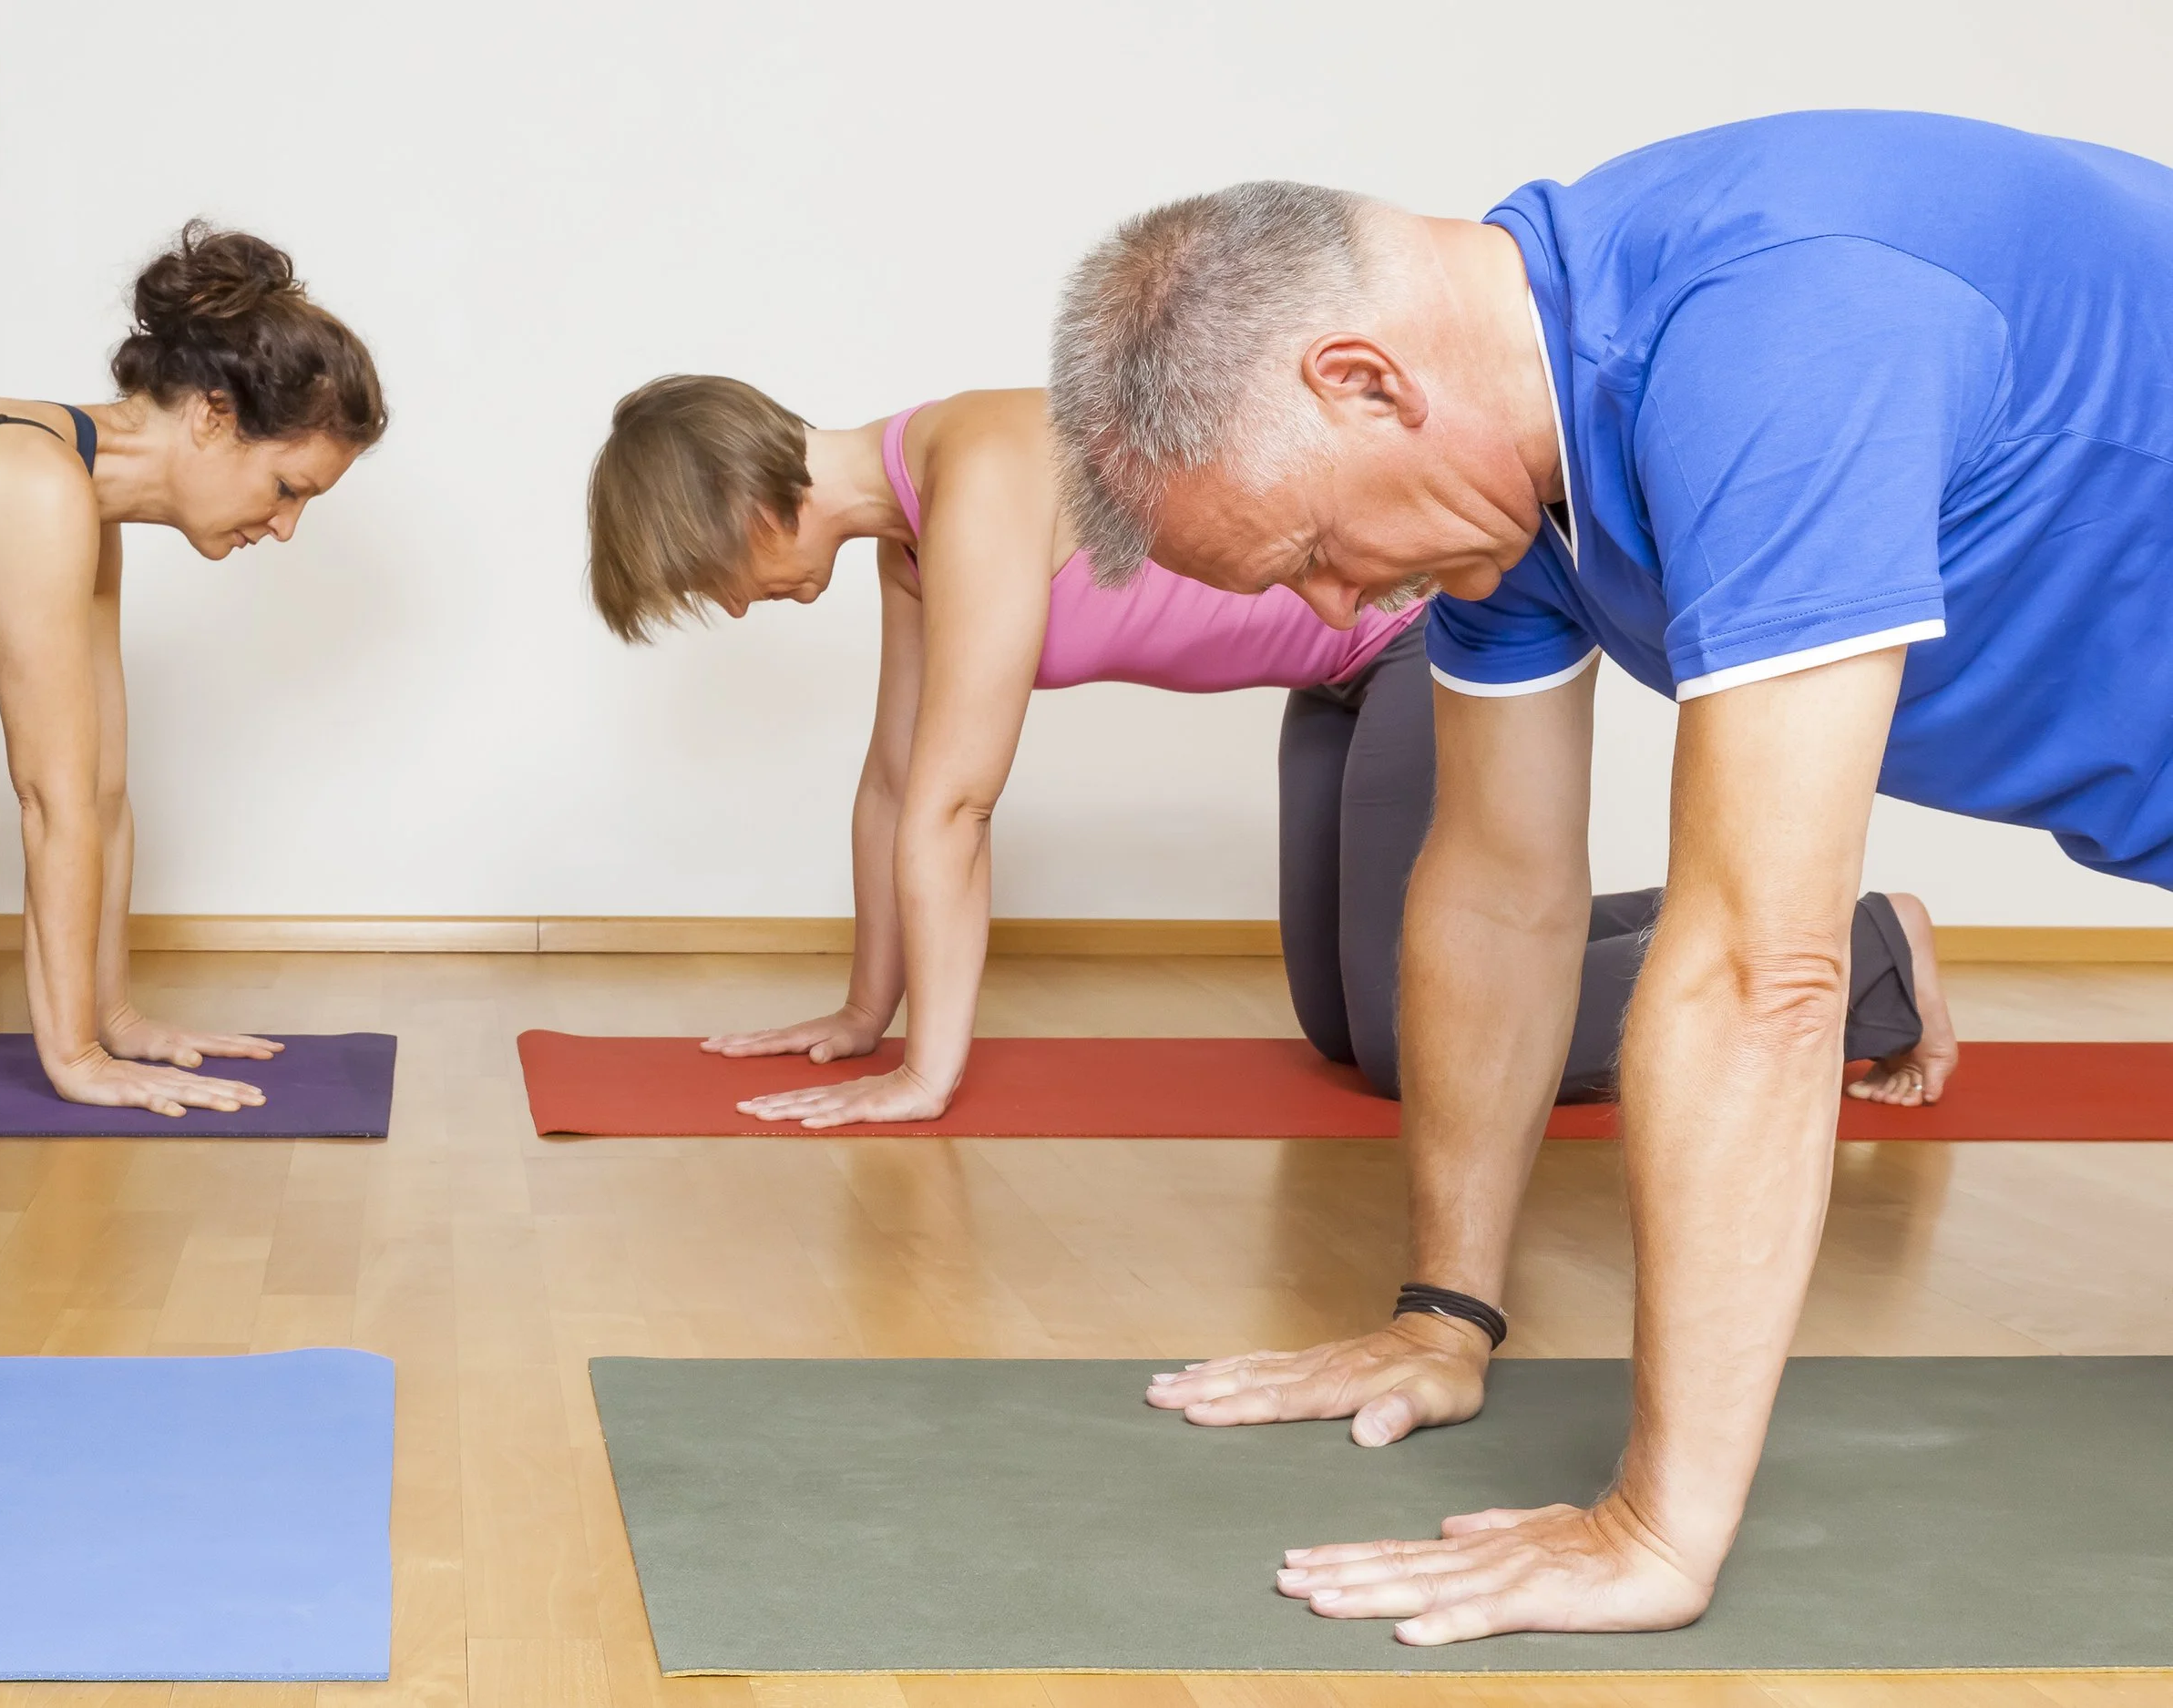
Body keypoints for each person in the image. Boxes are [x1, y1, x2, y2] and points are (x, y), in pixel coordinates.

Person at [1048, 110, 2170, 1645]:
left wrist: (1652, 1527)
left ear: (1367, 381)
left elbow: (1763, 976)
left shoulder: (1778, 332)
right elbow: (1499, 887)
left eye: (1310, 547)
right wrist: (1443, 1317)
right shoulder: (1525, 469)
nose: (1328, 608)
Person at [583, 377, 1953, 1126]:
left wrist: (929, 1074)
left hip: (1431, 637)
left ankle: (1865, 958)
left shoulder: (982, 470)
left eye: (704, 574)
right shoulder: (907, 533)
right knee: (1342, 1021)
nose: (724, 603)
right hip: (1333, 680)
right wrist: (861, 1009)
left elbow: (954, 800)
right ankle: (1826, 923)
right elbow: (893, 778)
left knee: (1420, 1038)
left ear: (742, 507)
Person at [0, 222, 384, 1116]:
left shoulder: (78, 495)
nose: (284, 529)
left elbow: (99, 790)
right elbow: (47, 801)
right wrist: (74, 1057)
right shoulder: (38, 487)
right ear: (212, 415)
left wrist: (112, 1017)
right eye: (287, 489)